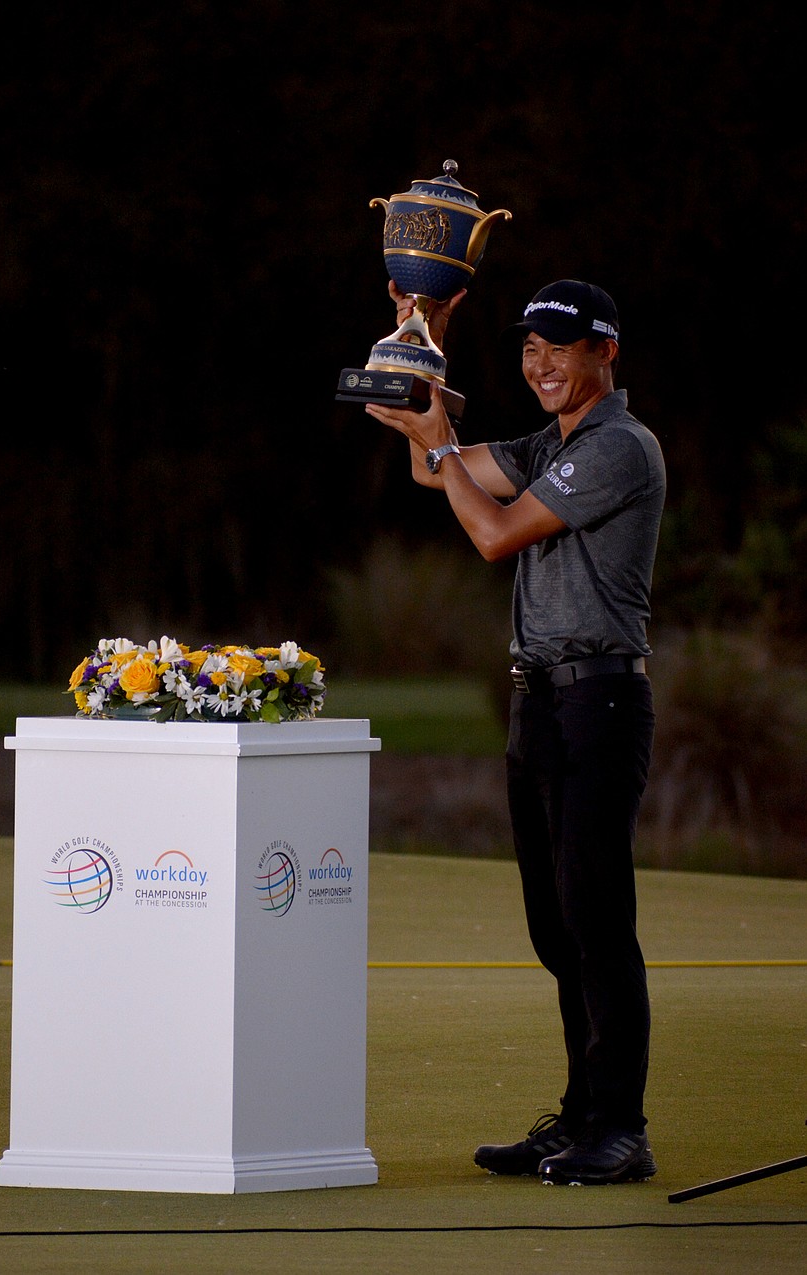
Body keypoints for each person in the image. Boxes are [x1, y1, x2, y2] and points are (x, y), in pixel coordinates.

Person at [365, 277, 666, 1186]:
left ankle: (620, 1128)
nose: (540, 365)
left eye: (559, 348)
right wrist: (427, 335)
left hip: (599, 703)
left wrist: (439, 442)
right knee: (555, 926)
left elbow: (492, 532)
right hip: (541, 701)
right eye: (529, 349)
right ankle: (580, 1118)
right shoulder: (551, 441)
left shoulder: (620, 446)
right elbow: (433, 466)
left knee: (596, 920)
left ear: (605, 353)